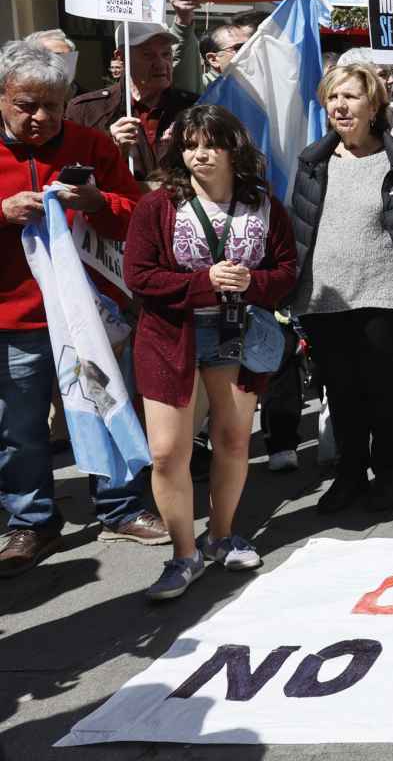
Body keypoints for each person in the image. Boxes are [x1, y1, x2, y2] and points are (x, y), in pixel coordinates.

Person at [0, 42, 167, 577]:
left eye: (53, 104)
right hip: (15, 315)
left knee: (106, 404)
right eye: (27, 104)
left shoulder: (91, 144)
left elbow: (138, 216)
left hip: (90, 314)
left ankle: (122, 506)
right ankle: (30, 520)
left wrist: (97, 203)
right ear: (2, 97)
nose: (42, 117)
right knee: (19, 426)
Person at [123, 106, 298, 600]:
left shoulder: (263, 205)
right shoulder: (157, 206)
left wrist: (254, 281)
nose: (199, 154)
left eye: (210, 144)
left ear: (232, 149)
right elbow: (139, 276)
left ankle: (220, 536)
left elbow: (286, 269)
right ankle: (183, 554)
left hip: (235, 334)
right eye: (189, 145)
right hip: (168, 336)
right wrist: (204, 282)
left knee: (234, 439)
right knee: (165, 452)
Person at [289, 62, 393, 514]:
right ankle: (349, 475)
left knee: (386, 393)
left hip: (383, 295)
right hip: (324, 299)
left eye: (351, 96)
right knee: (341, 392)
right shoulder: (312, 161)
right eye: (333, 97)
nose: (340, 105)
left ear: (374, 104)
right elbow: (301, 225)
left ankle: (391, 474)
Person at [67, 22, 200, 182]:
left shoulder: (193, 108)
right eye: (148, 55)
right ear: (121, 57)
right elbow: (74, 179)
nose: (160, 64)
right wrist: (112, 150)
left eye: (166, 54)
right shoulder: (86, 110)